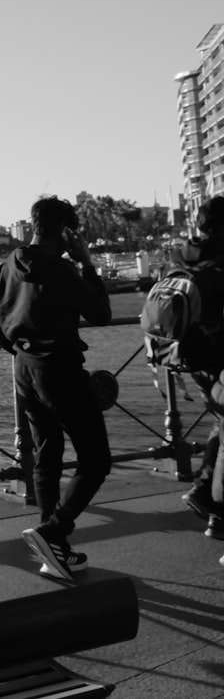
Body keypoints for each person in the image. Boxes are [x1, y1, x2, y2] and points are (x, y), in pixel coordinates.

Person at [0, 196, 112, 581]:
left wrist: (24, 350)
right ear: (65, 232)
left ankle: (52, 549)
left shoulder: (8, 265)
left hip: (24, 372)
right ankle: (52, 531)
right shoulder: (61, 270)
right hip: (59, 370)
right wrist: (86, 263)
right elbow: (101, 313)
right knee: (96, 459)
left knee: (47, 454)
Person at [170, 196, 224, 541]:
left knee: (222, 420)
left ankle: (206, 495)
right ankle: (215, 507)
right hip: (218, 352)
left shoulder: (180, 253)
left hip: (187, 354)